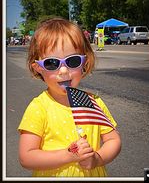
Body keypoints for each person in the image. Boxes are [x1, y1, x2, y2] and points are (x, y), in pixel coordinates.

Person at [18, 17, 121, 177]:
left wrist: (97, 159)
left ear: (84, 62)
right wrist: (69, 155)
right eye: (52, 63)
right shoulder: (39, 108)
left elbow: (113, 140)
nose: (64, 71)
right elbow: (26, 157)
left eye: (72, 61)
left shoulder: (93, 103)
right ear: (38, 68)